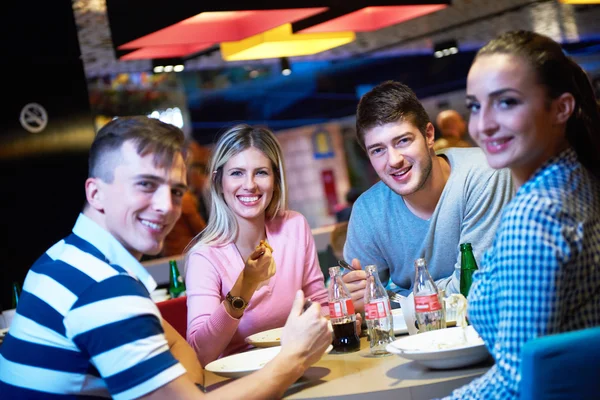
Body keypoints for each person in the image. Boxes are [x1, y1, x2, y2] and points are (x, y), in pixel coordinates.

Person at [0, 116, 333, 399]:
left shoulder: (63, 261)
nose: (165, 206)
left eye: (176, 191)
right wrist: (294, 358)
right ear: (95, 192)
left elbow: (191, 367)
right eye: (146, 184)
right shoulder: (103, 290)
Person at [445, 30, 600, 399]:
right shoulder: (579, 179)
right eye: (475, 106)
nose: (483, 125)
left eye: (507, 102)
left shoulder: (535, 215)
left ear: (561, 108)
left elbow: (516, 384)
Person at [185, 124, 357, 367]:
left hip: (298, 365)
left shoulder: (294, 226)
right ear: (218, 182)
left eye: (261, 173)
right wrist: (244, 288)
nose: (250, 185)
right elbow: (199, 353)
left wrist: (346, 309)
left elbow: (318, 304)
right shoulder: (204, 256)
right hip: (237, 381)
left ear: (276, 180)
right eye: (236, 173)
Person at [342, 81, 514, 312]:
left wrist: (399, 299)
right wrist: (352, 297)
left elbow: (475, 287)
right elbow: (354, 296)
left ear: (429, 135)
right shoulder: (368, 210)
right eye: (378, 150)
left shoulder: (483, 174)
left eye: (403, 141)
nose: (393, 160)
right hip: (414, 341)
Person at [162, 140, 211, 256]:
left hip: (170, 253)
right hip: (187, 253)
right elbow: (200, 230)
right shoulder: (184, 198)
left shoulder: (164, 198)